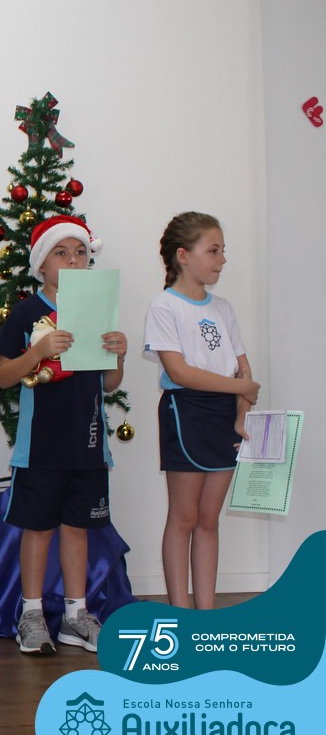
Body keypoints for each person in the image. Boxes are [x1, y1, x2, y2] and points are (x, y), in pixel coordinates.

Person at [0, 214, 127, 656]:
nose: (72, 260)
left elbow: (109, 384)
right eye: (61, 252)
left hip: (88, 443)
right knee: (38, 529)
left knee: (77, 529)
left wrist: (118, 355)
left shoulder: (96, 311)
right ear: (41, 264)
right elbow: (3, 377)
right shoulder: (26, 312)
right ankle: (31, 614)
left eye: (81, 252)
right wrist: (38, 351)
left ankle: (75, 616)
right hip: (41, 447)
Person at [144, 212, 257, 610]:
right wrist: (241, 387)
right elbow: (180, 372)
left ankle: (206, 614)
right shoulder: (164, 306)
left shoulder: (224, 308)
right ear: (183, 255)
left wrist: (241, 413)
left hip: (224, 415)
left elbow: (243, 369)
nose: (222, 259)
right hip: (186, 412)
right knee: (184, 517)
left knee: (209, 519)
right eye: (213, 250)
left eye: (223, 250)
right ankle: (181, 613)